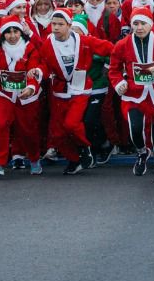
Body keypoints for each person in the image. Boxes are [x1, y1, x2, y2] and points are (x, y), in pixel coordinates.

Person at [35, 12, 115, 175]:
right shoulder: (47, 44)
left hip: (81, 88)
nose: (56, 27)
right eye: (53, 24)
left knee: (71, 124)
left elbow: (109, 48)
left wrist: (122, 60)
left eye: (60, 24)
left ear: (69, 25)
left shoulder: (83, 41)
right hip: (59, 90)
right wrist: (38, 72)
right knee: (57, 134)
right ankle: (74, 159)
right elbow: (42, 64)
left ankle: (85, 148)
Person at [110, 6, 154, 182]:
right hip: (135, 94)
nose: (140, 27)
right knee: (135, 130)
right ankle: (142, 152)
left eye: (143, 23)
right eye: (136, 23)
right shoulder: (123, 44)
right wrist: (119, 83)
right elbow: (114, 69)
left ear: (151, 25)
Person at [0, 17, 44, 176]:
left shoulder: (30, 49)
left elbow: (34, 70)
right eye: (8, 33)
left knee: (28, 129)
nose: (13, 36)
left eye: (16, 32)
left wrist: (30, 87)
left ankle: (34, 159)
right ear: (3, 34)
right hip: (4, 92)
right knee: (1, 124)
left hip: (26, 96)